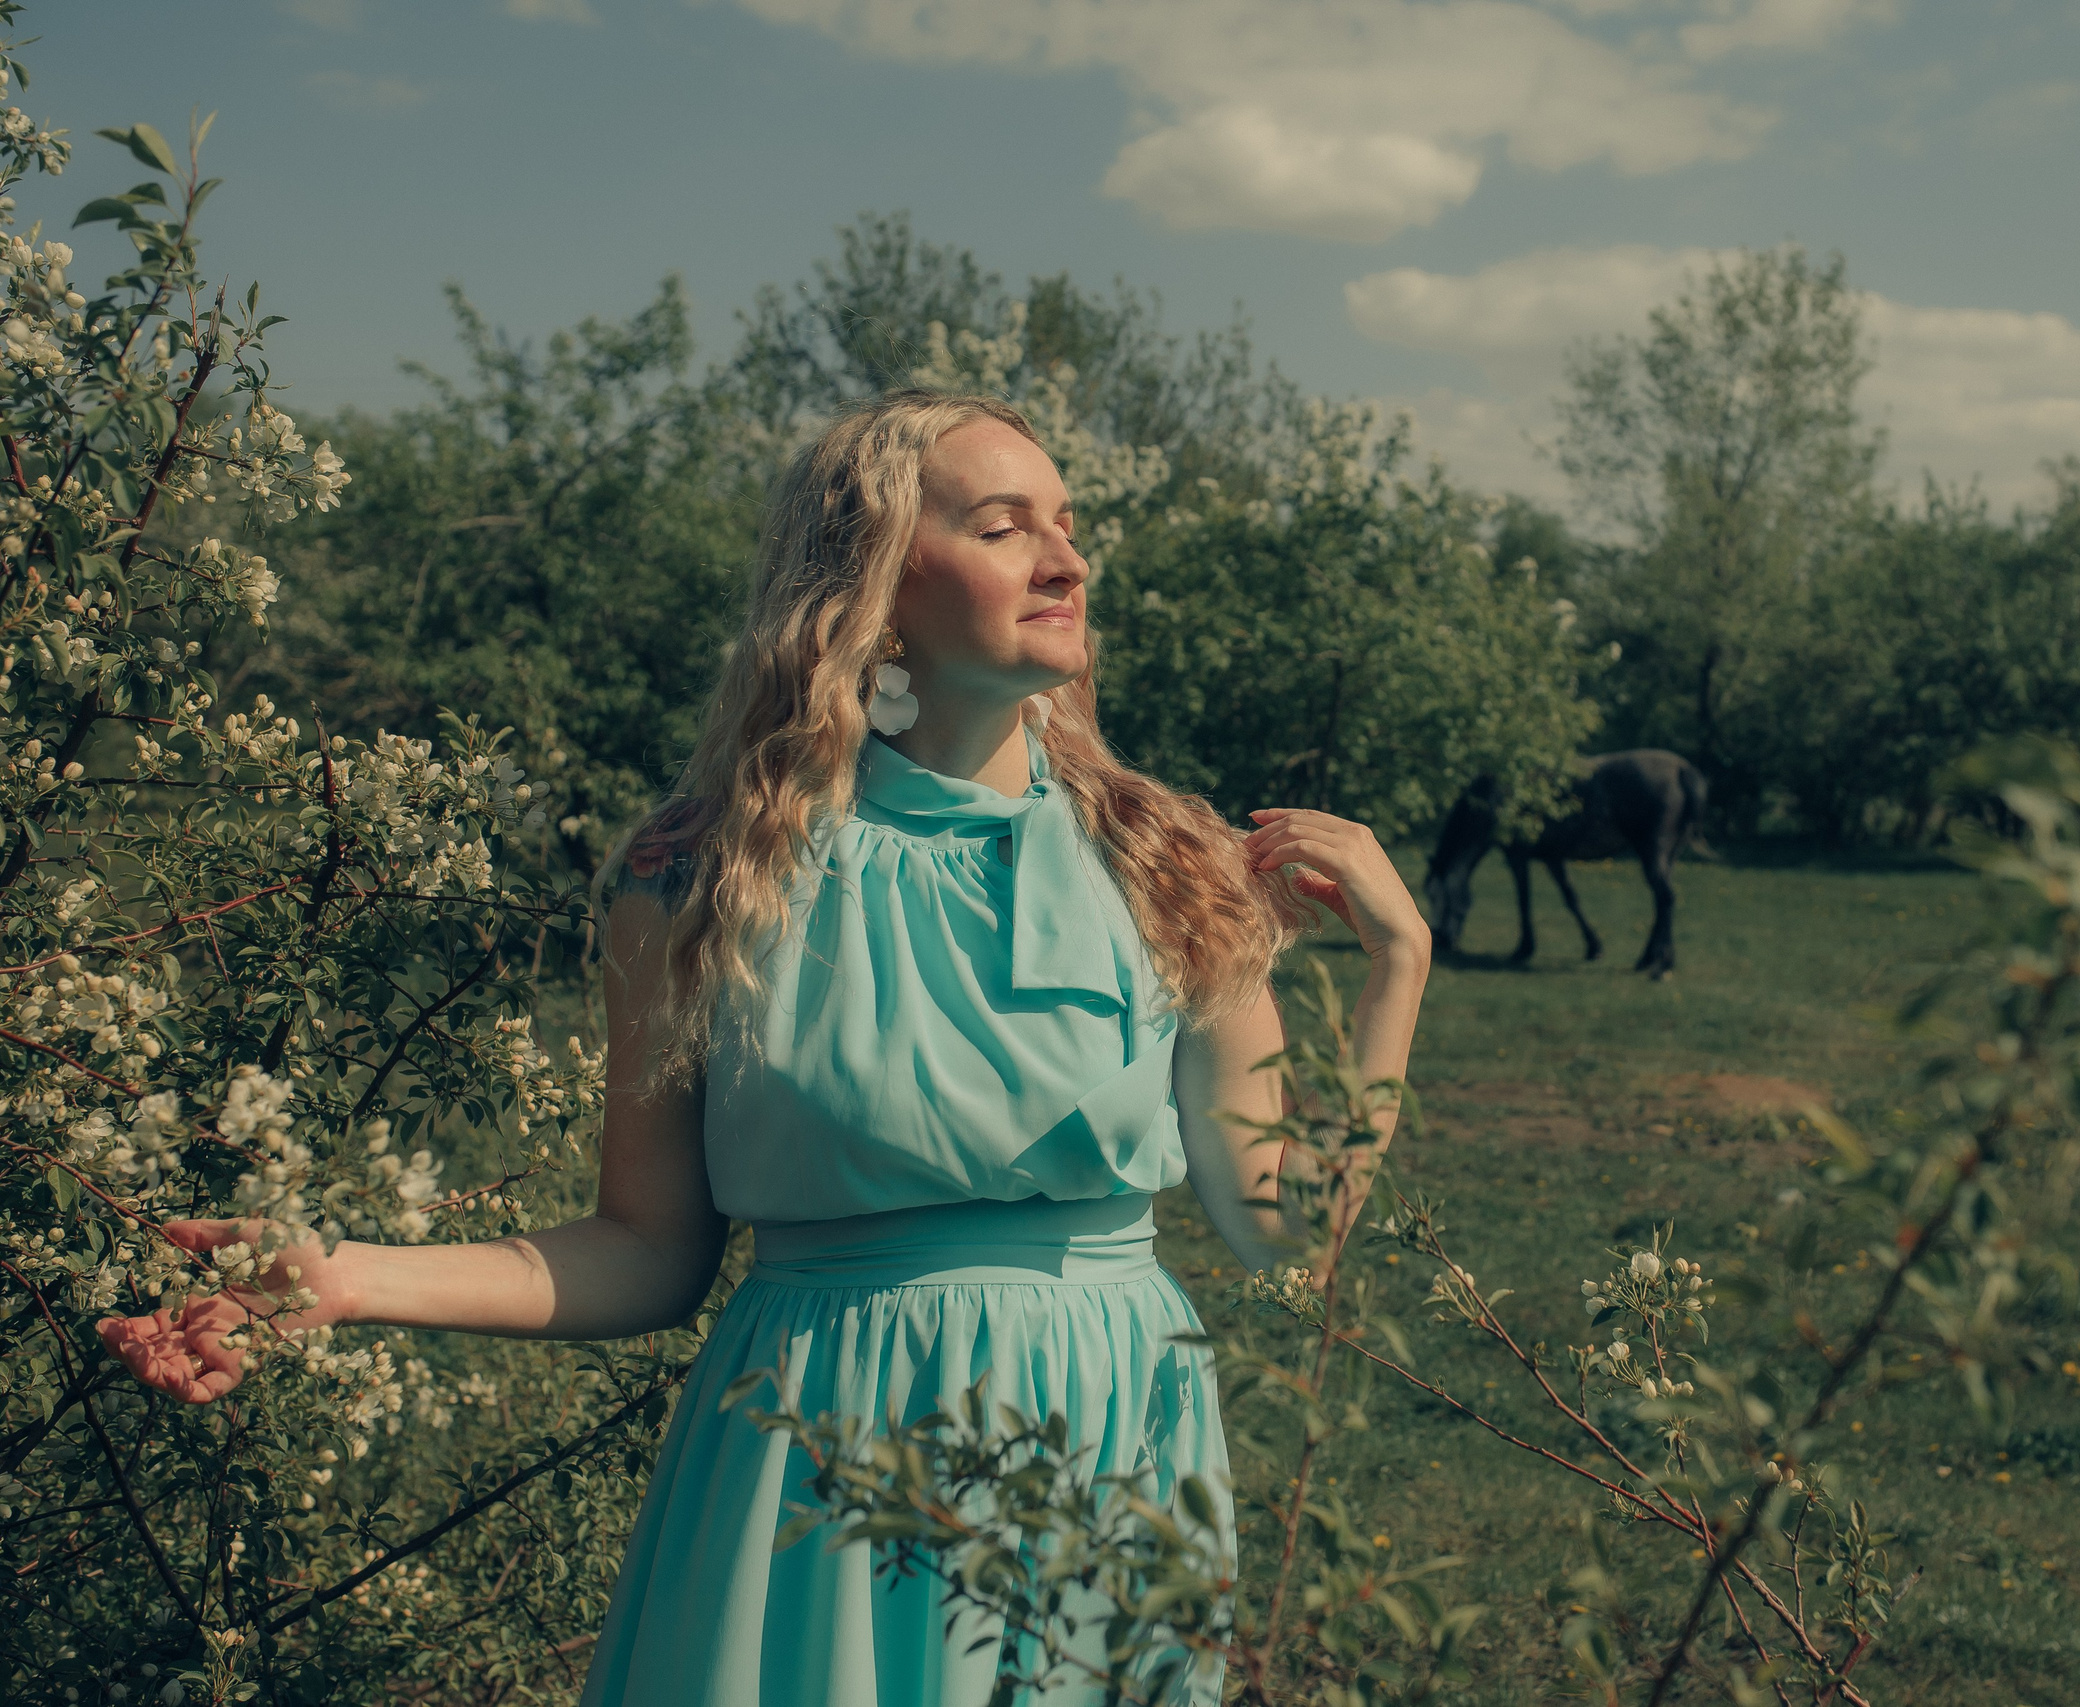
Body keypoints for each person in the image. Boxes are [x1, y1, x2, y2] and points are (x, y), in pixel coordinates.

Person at [96, 391, 1433, 1705]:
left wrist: (1396, 971)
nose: (1067, 559)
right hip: (819, 1449)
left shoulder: (1168, 865)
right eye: (1004, 524)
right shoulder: (699, 872)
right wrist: (339, 1277)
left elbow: (1283, 1230)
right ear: (875, 583)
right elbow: (644, 1248)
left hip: (1109, 1430)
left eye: (1069, 526)